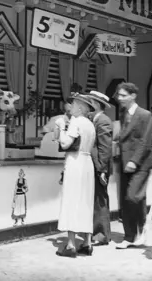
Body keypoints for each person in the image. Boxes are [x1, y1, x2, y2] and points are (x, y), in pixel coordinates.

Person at [55, 93, 97, 257]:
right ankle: (87, 242)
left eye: (73, 104)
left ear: (80, 107)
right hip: (87, 162)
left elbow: (66, 143)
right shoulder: (90, 124)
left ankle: (71, 244)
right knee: (86, 201)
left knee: (71, 200)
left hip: (75, 162)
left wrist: (60, 128)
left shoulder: (76, 121)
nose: (70, 107)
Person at [114, 82, 152, 249]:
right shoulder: (123, 113)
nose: (119, 98)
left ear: (133, 96)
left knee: (133, 197)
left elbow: (146, 141)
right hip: (123, 162)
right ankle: (130, 236)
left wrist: (134, 161)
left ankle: (142, 229)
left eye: (123, 95)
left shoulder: (145, 115)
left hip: (140, 163)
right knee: (127, 199)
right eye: (119, 95)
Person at [88, 91, 113, 246]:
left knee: (100, 200)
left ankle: (101, 235)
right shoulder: (95, 119)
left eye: (90, 102)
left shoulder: (103, 120)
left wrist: (102, 169)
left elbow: (105, 147)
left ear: (96, 104)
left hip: (99, 166)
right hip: (96, 165)